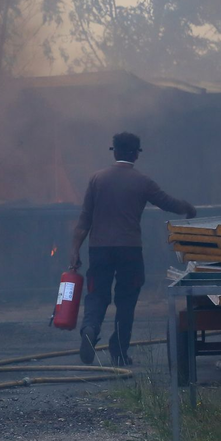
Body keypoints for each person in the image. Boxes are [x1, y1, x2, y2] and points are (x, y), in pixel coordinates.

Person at [69, 132, 196, 367]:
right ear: (136, 154)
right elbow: (167, 203)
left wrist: (75, 249)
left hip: (99, 249)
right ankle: (119, 351)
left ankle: (89, 327)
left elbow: (84, 220)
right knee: (126, 301)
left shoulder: (97, 179)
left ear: (115, 151)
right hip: (130, 250)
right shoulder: (143, 182)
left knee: (97, 294)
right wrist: (187, 208)